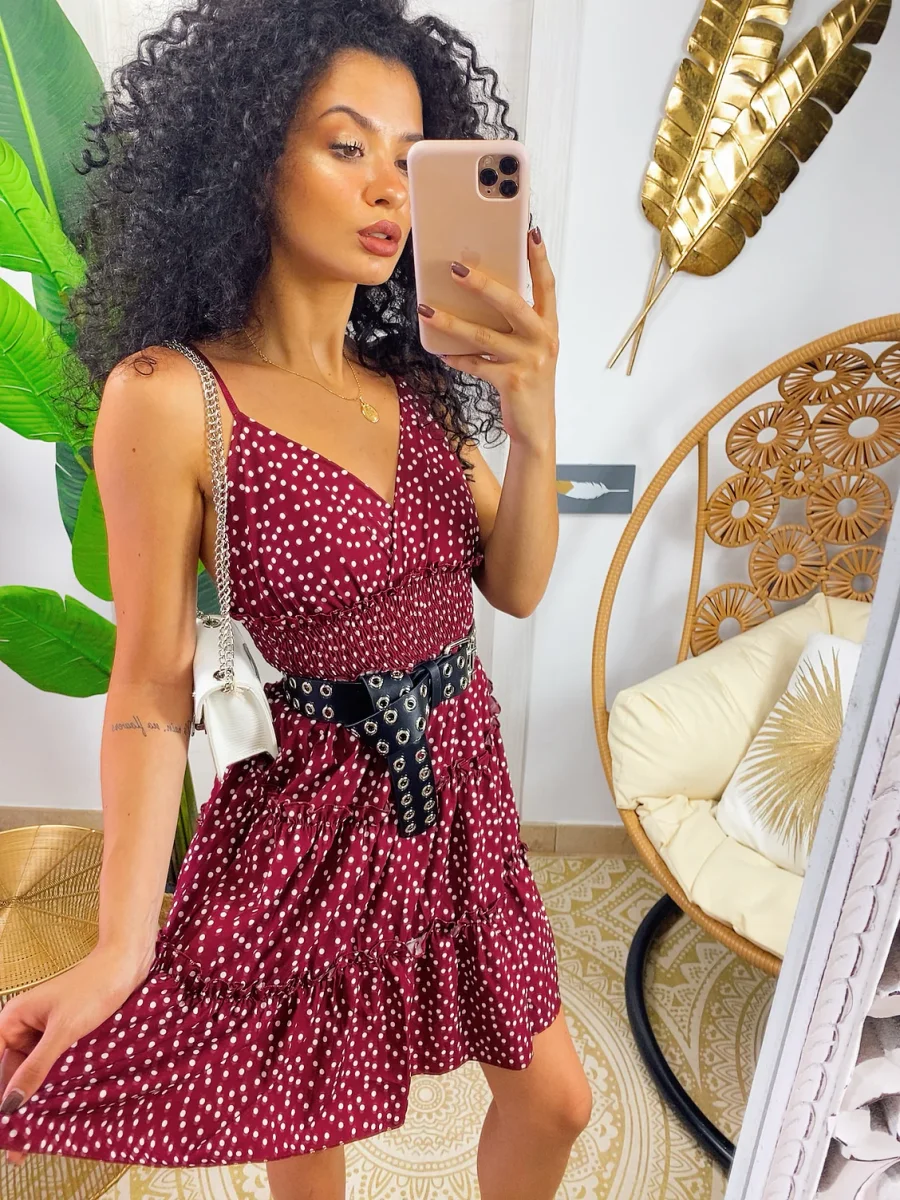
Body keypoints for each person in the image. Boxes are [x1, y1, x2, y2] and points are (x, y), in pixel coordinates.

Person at [0, 1, 591, 1195]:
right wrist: (121, 941)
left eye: (408, 158)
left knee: (558, 1102)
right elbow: (151, 682)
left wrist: (533, 420)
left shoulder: (414, 388)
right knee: (300, 1099)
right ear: (249, 153)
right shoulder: (171, 396)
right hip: (312, 812)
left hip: (463, 788)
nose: (386, 188)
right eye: (345, 144)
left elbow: (517, 587)